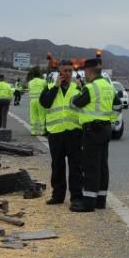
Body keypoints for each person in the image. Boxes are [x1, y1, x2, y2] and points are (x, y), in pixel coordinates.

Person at [70, 57, 122, 212]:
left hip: (92, 130)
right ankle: (100, 200)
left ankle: (88, 203)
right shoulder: (108, 86)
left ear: (88, 71)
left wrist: (80, 89)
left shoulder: (90, 88)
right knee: (102, 165)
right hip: (105, 129)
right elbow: (118, 106)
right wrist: (110, 120)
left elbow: (74, 104)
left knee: (90, 166)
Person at [40, 60, 83, 207]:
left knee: (75, 167)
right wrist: (56, 87)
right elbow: (45, 103)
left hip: (74, 133)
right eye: (65, 70)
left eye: (70, 71)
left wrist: (81, 87)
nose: (68, 74)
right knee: (57, 166)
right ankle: (58, 195)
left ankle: (76, 197)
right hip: (56, 133)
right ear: (59, 72)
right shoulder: (51, 88)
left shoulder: (77, 89)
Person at [26, 67, 48, 136]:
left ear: (33, 75)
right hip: (40, 101)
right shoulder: (43, 81)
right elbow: (46, 89)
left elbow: (29, 90)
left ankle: (33, 131)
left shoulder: (30, 82)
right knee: (42, 116)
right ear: (39, 75)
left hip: (32, 101)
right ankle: (42, 131)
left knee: (33, 116)